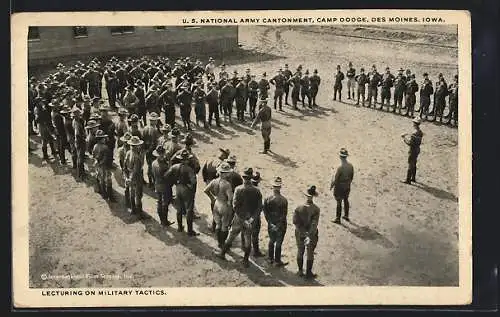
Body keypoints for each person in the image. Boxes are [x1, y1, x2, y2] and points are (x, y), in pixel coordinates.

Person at [216, 168, 263, 268]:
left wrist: (241, 218)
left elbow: (235, 205)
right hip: (250, 219)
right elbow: (259, 207)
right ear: (251, 178)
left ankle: (222, 253)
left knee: (231, 236)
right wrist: (251, 219)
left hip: (238, 218)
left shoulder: (238, 189)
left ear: (243, 177)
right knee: (247, 239)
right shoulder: (257, 191)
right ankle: (245, 260)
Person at [165, 149, 199, 236]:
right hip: (186, 189)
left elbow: (166, 175)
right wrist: (192, 190)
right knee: (189, 210)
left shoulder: (175, 166)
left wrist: (174, 182)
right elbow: (194, 182)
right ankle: (190, 231)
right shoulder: (189, 169)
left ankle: (180, 227)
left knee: (179, 209)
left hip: (178, 188)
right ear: (187, 159)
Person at [204, 162, 234, 248]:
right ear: (226, 173)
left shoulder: (214, 181)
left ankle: (219, 242)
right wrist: (229, 205)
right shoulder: (227, 184)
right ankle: (222, 243)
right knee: (224, 226)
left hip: (216, 203)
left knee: (218, 224)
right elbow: (230, 197)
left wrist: (212, 198)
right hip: (224, 205)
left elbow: (206, 190)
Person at [293, 185, 320, 279]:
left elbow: (295, 222)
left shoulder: (298, 207)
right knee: (310, 252)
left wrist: (302, 232)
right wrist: (308, 235)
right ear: (313, 196)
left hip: (299, 233)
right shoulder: (316, 209)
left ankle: (300, 271)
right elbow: (314, 224)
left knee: (300, 251)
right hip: (311, 235)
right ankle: (308, 273)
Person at [263, 176, 289, 267]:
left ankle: (270, 258)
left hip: (271, 223)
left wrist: (270, 223)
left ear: (272, 186)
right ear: (280, 187)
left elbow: (265, 212)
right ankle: (277, 261)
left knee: (271, 240)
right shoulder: (284, 200)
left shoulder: (267, 199)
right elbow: (284, 214)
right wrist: (278, 225)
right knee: (279, 242)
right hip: (280, 225)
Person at [152, 144, 175, 227]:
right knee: (165, 203)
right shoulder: (163, 166)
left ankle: (161, 220)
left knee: (159, 202)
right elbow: (168, 175)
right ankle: (165, 221)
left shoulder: (154, 163)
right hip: (165, 186)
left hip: (157, 184)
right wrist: (170, 165)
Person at [330, 148, 354, 224]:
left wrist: (332, 185)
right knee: (346, 200)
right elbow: (351, 176)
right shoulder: (350, 166)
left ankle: (338, 218)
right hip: (347, 185)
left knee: (339, 202)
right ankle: (346, 215)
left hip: (340, 187)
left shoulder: (340, 167)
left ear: (340, 157)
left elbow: (336, 178)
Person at [123, 136, 145, 215]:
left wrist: (126, 177)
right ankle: (140, 213)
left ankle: (133, 210)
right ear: (137, 146)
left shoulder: (128, 153)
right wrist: (131, 179)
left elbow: (124, 166)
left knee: (131, 193)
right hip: (136, 178)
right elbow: (136, 171)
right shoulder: (137, 157)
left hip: (129, 175)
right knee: (138, 195)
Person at [92, 129, 114, 201]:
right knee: (108, 181)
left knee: (101, 180)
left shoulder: (95, 146)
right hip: (105, 167)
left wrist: (98, 162)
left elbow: (93, 155)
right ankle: (110, 196)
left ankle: (103, 194)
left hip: (98, 166)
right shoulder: (105, 148)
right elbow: (107, 159)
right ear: (101, 139)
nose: (105, 139)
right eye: (104, 138)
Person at [142, 112, 161, 188]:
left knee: (149, 166)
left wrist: (146, 150)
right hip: (152, 151)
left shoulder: (145, 128)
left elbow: (143, 139)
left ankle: (150, 182)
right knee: (153, 167)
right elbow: (154, 143)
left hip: (147, 150)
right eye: (156, 120)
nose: (156, 121)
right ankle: (153, 183)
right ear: (153, 121)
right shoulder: (154, 130)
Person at [402, 117, 424, 184]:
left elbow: (410, 143)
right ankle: (413, 178)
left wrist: (404, 138)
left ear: (414, 124)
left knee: (410, 164)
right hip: (417, 149)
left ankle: (408, 180)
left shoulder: (414, 133)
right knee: (414, 163)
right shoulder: (420, 132)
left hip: (413, 150)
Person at [71, 107, 87, 180]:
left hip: (77, 141)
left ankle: (81, 172)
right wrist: (83, 137)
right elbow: (77, 134)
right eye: (78, 114)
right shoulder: (76, 123)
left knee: (80, 157)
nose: (79, 115)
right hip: (79, 142)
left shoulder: (75, 121)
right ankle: (80, 174)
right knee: (80, 158)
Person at [118, 132, 132, 208]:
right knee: (127, 187)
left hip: (131, 169)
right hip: (126, 169)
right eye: (125, 142)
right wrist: (124, 171)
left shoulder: (131, 150)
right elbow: (121, 162)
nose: (126, 143)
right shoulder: (121, 150)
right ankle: (127, 202)